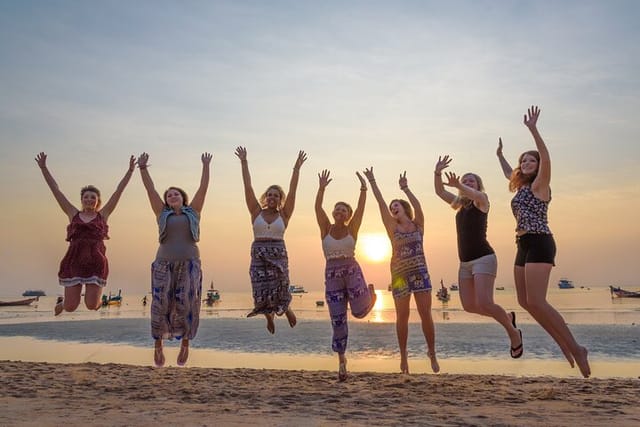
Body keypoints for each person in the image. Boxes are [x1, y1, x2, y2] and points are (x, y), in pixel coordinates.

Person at [496, 106, 590, 378]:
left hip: (540, 242)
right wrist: (500, 156)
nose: (526, 164)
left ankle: (576, 347)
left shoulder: (541, 185)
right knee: (525, 301)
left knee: (538, 300)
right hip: (522, 244)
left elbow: (547, 158)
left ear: (538, 167)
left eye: (530, 161)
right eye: (523, 161)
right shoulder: (521, 186)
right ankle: (563, 343)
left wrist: (533, 130)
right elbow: (508, 174)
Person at [433, 155, 522, 358]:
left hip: (484, 258)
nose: (467, 182)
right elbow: (439, 191)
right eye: (464, 180)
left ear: (478, 186)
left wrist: (460, 185)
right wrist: (437, 172)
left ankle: (514, 334)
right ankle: (507, 317)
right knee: (470, 306)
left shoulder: (482, 201)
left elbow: (474, 194)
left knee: (486, 303)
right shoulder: (459, 204)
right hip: (464, 263)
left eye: (471, 180)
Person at [35, 152, 135, 315]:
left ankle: (96, 297)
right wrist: (44, 168)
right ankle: (63, 303)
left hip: (95, 261)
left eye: (93, 197)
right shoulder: (72, 213)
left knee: (91, 305)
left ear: (97, 201)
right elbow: (56, 190)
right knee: (70, 307)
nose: (89, 199)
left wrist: (130, 171)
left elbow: (119, 191)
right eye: (86, 197)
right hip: (75, 260)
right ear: (82, 199)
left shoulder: (103, 215)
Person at [137, 151, 212, 367]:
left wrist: (206, 166)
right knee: (160, 305)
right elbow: (150, 190)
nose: (172, 197)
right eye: (169, 195)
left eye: (175, 194)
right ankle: (158, 346)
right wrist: (143, 169)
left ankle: (185, 345)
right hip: (164, 264)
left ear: (183, 197)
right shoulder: (162, 213)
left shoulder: (193, 212)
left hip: (189, 263)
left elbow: (203, 188)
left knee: (187, 305)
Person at [362, 168, 439, 374]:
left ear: (404, 208)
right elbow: (379, 202)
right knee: (402, 316)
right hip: (399, 276)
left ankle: (431, 352)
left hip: (420, 272)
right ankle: (404, 357)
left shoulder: (418, 225)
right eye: (391, 207)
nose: (392, 208)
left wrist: (406, 189)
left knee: (425, 314)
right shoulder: (391, 226)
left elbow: (418, 206)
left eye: (396, 205)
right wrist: (372, 181)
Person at [234, 146, 306, 334]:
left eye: (276, 195)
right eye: (269, 194)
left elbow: (293, 190)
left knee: (281, 282)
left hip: (278, 251)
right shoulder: (256, 211)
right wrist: (244, 162)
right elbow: (247, 186)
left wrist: (296, 169)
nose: (272, 197)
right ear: (265, 197)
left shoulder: (285, 214)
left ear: (280, 199)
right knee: (260, 286)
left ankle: (286, 308)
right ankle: (269, 316)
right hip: (258, 251)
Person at [315, 169, 377, 381]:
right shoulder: (326, 228)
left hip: (351, 270)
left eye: (344, 210)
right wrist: (321, 188)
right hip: (332, 274)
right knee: (338, 319)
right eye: (337, 209)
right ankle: (342, 361)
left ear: (348, 216)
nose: (340, 211)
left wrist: (363, 188)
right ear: (334, 213)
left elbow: (361, 208)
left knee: (360, 312)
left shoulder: (353, 228)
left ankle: (371, 297)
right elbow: (317, 208)